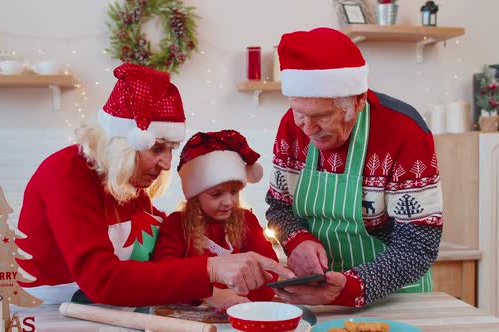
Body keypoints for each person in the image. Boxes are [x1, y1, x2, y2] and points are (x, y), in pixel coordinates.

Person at [16, 63, 293, 307]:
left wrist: (204, 290)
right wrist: (210, 269)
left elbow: (156, 250)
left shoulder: (126, 183)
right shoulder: (66, 174)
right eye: (157, 149)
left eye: (171, 149)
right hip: (52, 314)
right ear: (125, 145)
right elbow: (102, 279)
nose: (166, 164)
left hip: (102, 310)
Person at [265, 27, 443, 307]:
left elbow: (418, 246)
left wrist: (353, 287)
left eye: (322, 116)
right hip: (316, 295)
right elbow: (278, 208)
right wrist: (296, 240)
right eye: (300, 113)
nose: (308, 128)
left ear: (358, 100)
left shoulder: (404, 131)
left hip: (396, 299)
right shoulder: (291, 127)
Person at [152, 130, 278, 309]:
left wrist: (245, 302)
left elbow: (267, 269)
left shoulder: (246, 220)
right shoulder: (176, 224)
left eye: (234, 192)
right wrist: (206, 294)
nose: (228, 202)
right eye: (216, 194)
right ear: (195, 195)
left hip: (243, 310)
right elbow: (166, 271)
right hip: (190, 315)